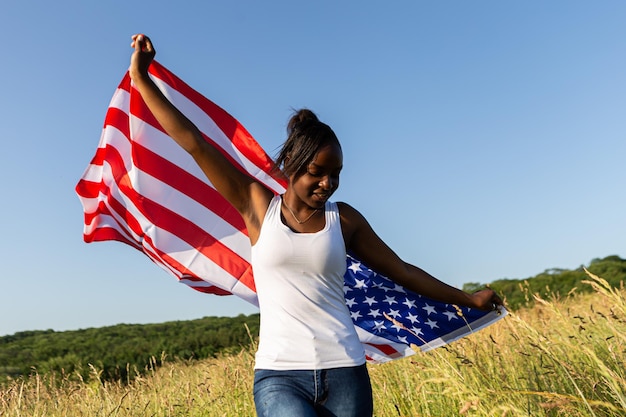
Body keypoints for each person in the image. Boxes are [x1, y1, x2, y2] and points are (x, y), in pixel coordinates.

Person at [129, 34, 503, 417]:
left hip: (345, 373)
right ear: (291, 165)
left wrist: (468, 299)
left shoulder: (344, 220)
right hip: (279, 376)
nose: (328, 183)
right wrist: (141, 77)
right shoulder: (257, 205)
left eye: (335, 174)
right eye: (316, 172)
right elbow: (196, 144)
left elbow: (403, 271)